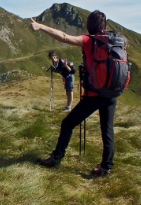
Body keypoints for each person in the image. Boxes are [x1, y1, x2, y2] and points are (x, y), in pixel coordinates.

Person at [29, 10, 118, 177]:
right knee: (107, 130)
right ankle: (106, 168)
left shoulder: (89, 40)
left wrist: (40, 26)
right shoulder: (115, 41)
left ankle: (56, 157)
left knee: (68, 124)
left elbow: (63, 36)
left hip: (95, 95)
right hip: (112, 93)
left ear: (89, 25)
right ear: (104, 26)